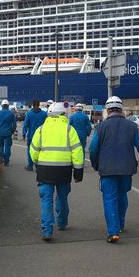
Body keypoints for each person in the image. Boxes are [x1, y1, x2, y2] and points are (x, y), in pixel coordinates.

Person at [89, 95, 139, 243]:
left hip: (107, 169)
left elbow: (93, 149)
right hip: (126, 169)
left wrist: (95, 164)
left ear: (108, 110)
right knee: (122, 195)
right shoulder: (132, 127)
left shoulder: (101, 127)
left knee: (109, 198)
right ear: (121, 110)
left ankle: (113, 232)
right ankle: (120, 224)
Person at [30, 102, 84, 242]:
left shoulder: (41, 130)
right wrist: (78, 172)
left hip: (45, 170)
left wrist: (37, 163)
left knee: (46, 200)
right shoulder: (69, 129)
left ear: (49, 114)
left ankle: (47, 231)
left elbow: (33, 151)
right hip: (64, 170)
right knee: (62, 197)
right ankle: (62, 223)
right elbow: (77, 151)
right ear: (63, 114)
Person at [22, 99, 47, 171]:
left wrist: (24, 134)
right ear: (39, 105)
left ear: (33, 105)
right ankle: (38, 166)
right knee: (40, 151)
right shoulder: (44, 114)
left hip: (31, 136)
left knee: (30, 151)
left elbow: (25, 125)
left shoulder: (29, 114)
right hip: (42, 136)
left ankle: (30, 165)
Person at [0, 100, 17, 166]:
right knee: (8, 146)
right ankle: (6, 161)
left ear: (2, 106)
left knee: (0, 146)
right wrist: (12, 131)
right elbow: (14, 124)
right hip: (8, 132)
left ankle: (2, 158)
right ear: (8, 106)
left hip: (0, 132)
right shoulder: (11, 113)